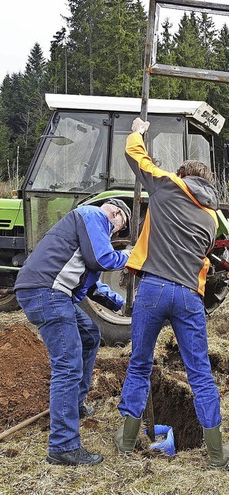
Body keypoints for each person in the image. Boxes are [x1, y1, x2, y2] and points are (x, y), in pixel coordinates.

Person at [114, 118, 229, 470]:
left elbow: (135, 156)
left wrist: (138, 130)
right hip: (188, 296)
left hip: (152, 288)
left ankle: (125, 440)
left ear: (184, 174)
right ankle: (216, 452)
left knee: (139, 364)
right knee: (199, 371)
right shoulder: (213, 219)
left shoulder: (169, 186)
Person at [14, 198, 131, 466]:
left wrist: (125, 306)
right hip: (46, 292)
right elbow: (102, 258)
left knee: (90, 335)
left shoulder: (87, 230)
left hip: (51, 293)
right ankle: (63, 446)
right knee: (67, 364)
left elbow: (91, 286)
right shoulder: (91, 215)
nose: (114, 235)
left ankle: (73, 404)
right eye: (118, 228)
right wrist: (131, 256)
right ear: (114, 213)